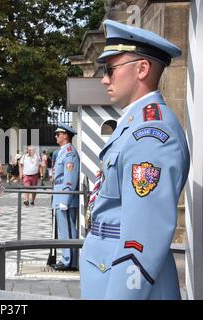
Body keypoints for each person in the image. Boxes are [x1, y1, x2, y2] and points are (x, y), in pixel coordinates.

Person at [80, 20, 190, 300]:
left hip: (127, 282)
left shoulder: (150, 134)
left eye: (111, 69)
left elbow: (144, 234)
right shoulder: (135, 125)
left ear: (142, 69)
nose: (105, 78)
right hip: (107, 266)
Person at [51, 123, 80, 271]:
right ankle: (67, 259)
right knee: (64, 230)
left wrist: (65, 199)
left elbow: (70, 177)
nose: (56, 136)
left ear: (66, 136)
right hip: (59, 195)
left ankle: (69, 261)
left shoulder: (70, 153)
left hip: (64, 198)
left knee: (68, 230)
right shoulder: (62, 152)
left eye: (58, 134)